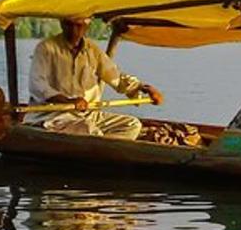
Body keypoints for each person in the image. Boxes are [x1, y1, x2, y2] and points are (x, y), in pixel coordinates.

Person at [28, 16, 163, 139]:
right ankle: (101, 149)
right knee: (89, 130)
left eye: (79, 26)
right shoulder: (46, 48)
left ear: (87, 27)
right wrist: (67, 101)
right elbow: (38, 85)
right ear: (62, 24)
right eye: (70, 25)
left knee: (132, 125)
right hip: (55, 116)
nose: (74, 31)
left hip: (88, 114)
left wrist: (144, 88)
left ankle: (104, 151)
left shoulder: (92, 49)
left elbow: (116, 77)